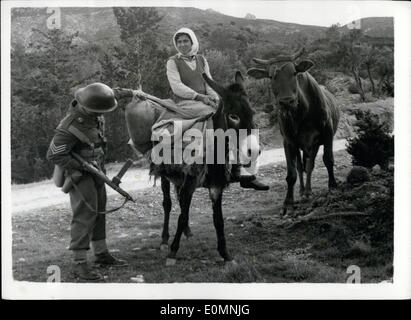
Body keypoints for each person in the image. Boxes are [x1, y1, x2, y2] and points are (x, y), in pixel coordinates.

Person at [47, 82, 134, 281]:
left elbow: (112, 93)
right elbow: (53, 155)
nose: (100, 114)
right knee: (85, 215)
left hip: (98, 170)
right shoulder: (69, 127)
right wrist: (82, 166)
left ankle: (101, 254)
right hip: (81, 175)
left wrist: (133, 92)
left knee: (99, 211)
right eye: (97, 111)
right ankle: (79, 263)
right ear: (86, 106)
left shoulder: (94, 105)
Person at [167, 27, 269, 191]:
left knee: (233, 115)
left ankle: (247, 173)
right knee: (211, 117)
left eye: (186, 41)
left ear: (192, 41)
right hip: (185, 102)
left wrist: (215, 97)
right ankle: (209, 163)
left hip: (206, 100)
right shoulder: (172, 62)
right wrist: (200, 97)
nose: (182, 44)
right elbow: (176, 86)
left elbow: (209, 82)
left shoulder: (201, 60)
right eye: (179, 42)